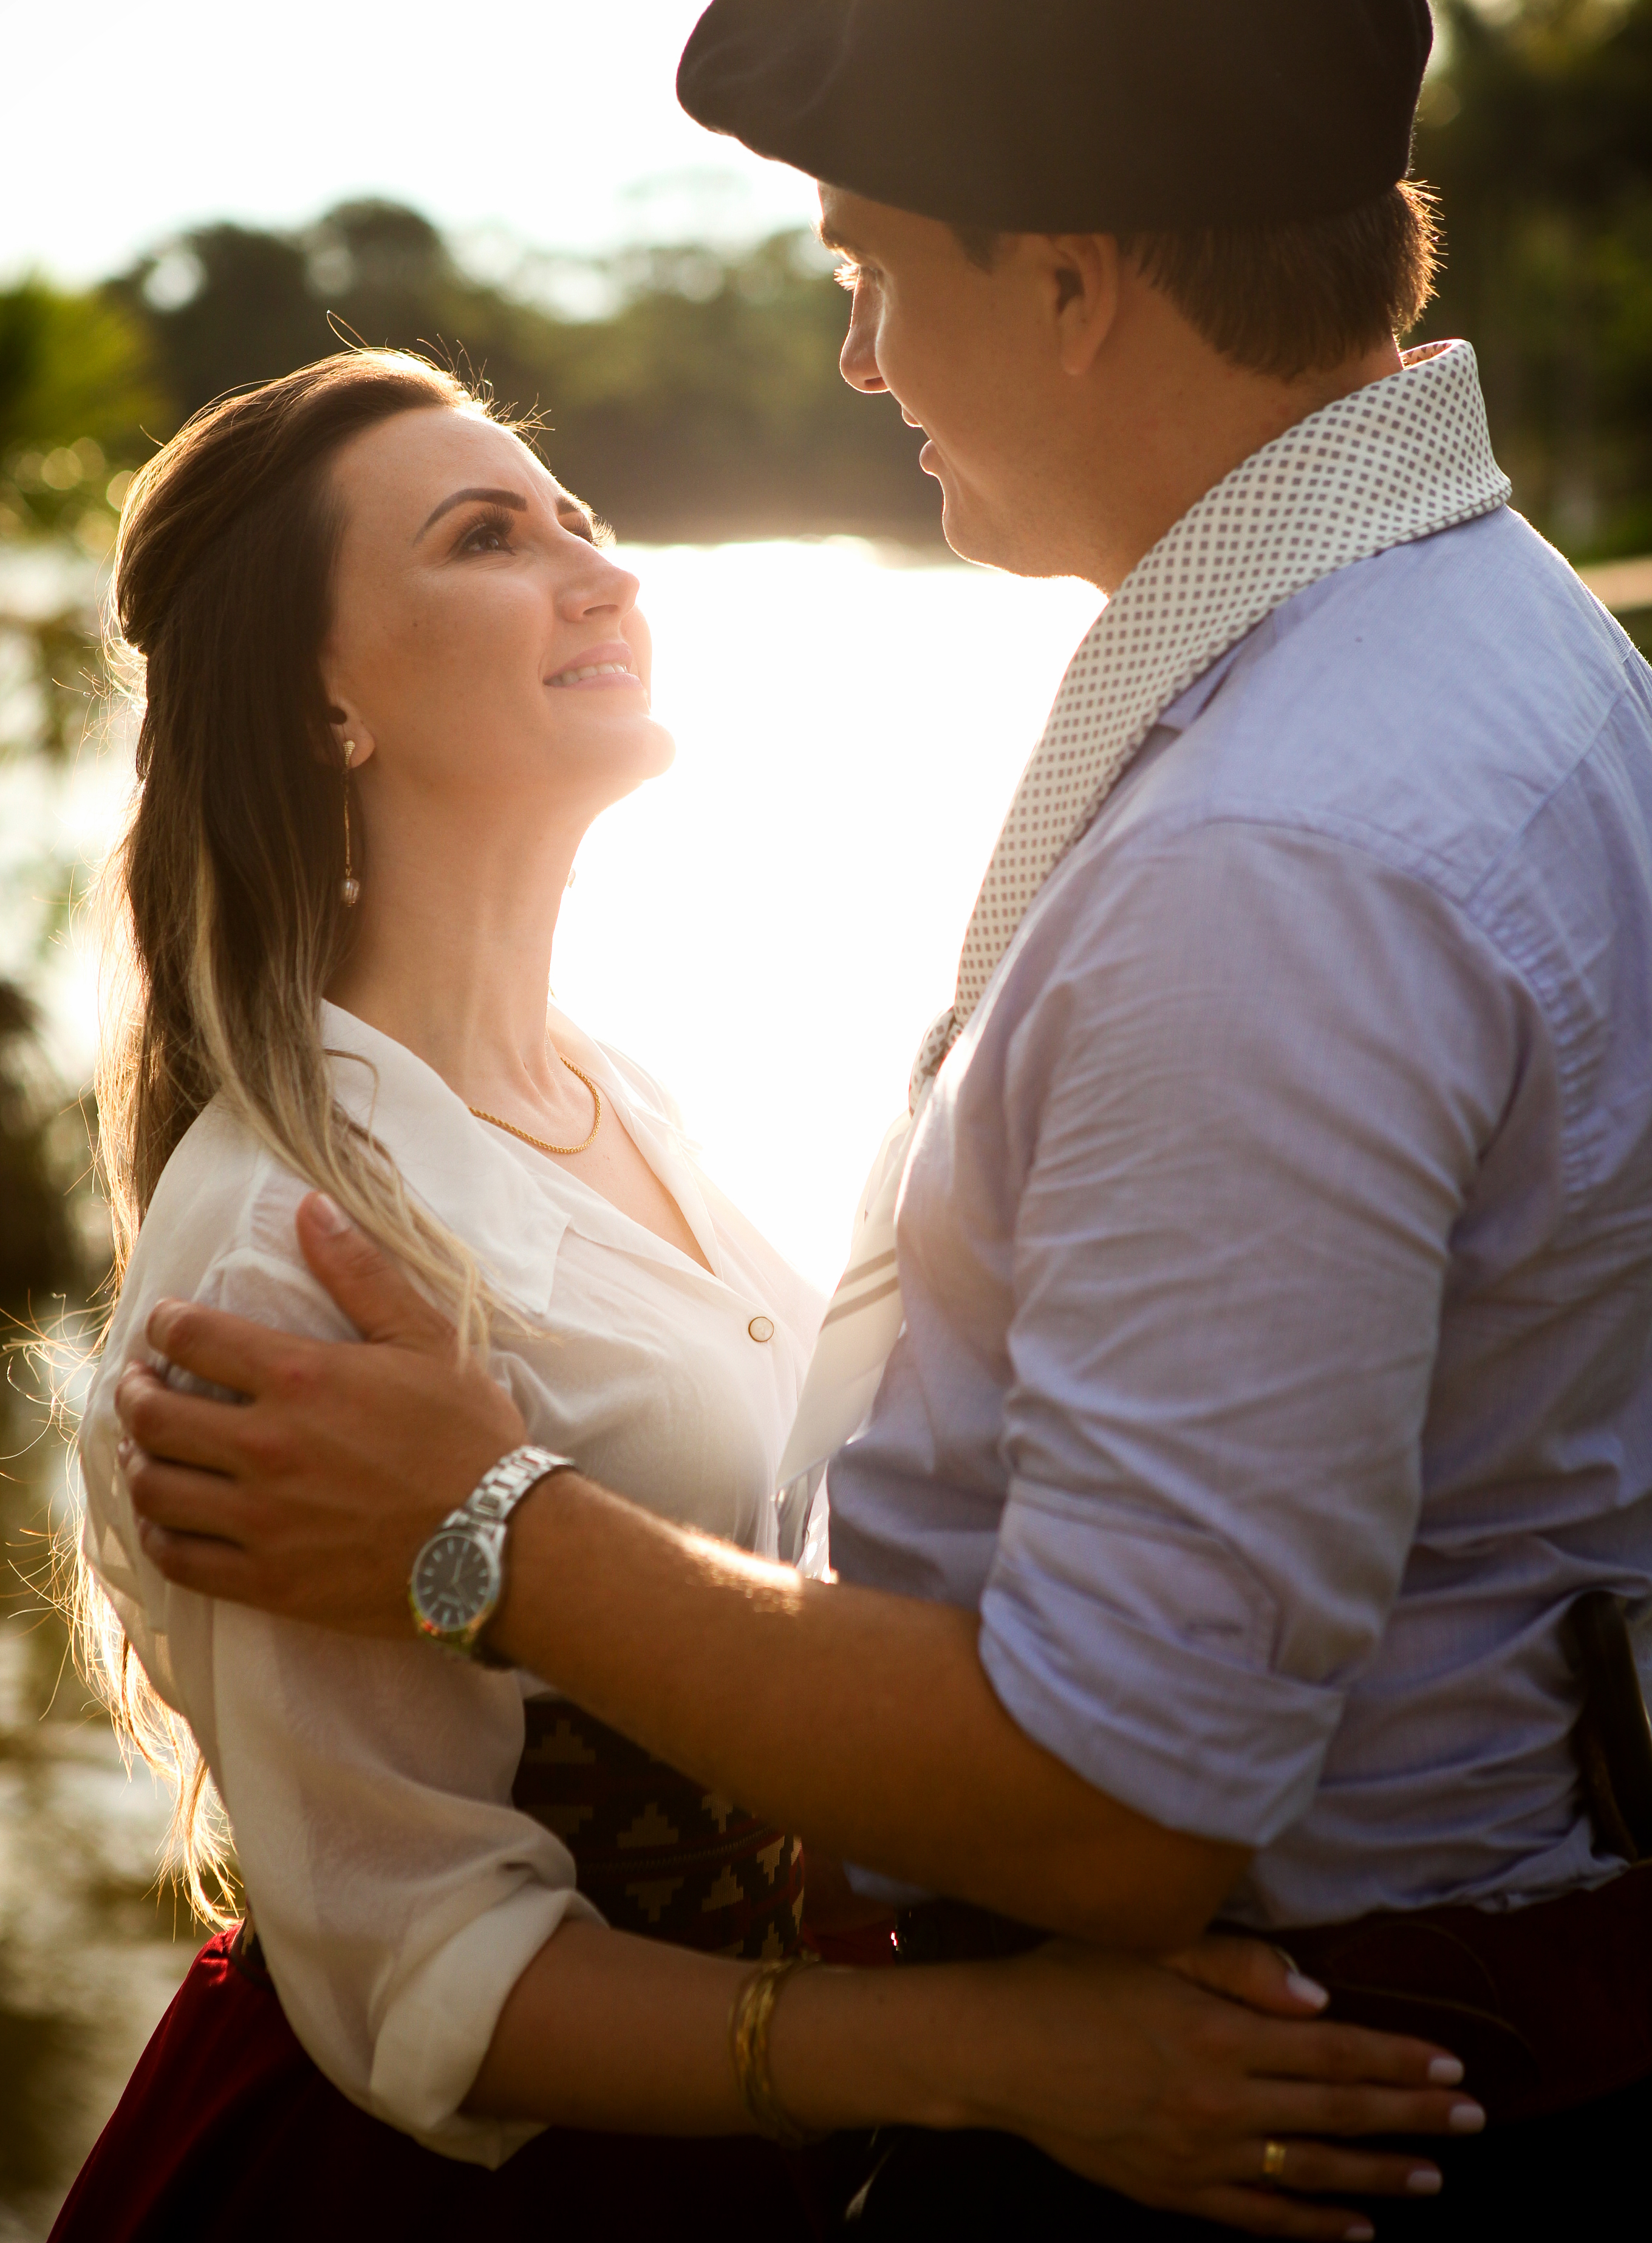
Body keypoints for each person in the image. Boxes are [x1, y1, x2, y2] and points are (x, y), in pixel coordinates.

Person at [110, 0, 1652, 2235]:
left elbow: (1119, 1802)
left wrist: (481, 1529)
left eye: (865, 266)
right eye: (483, 529)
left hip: (1263, 2103)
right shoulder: (1499, 645)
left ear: (1066, 282)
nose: (847, 353)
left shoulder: (1276, 845)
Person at [56, 349, 1464, 2243]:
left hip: (758, 2140)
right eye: (488, 539)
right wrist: (1001, 2052)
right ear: (322, 703)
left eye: (581, 518)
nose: (600, 572)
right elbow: (424, 1983)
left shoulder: (610, 1090)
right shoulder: (289, 1258)